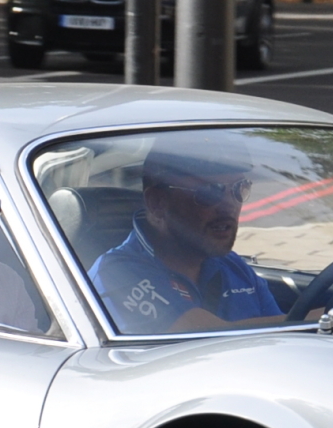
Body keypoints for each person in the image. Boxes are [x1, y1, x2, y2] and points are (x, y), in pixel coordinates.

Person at [87, 136, 283, 332]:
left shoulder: (233, 266)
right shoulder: (116, 273)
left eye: (239, 189)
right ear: (157, 203)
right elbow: (203, 336)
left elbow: (284, 332)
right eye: (209, 192)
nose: (229, 206)